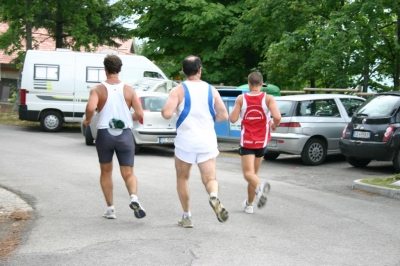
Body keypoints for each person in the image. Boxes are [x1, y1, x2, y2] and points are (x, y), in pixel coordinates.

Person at [161, 55, 229, 228]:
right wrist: (206, 120)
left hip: (186, 142)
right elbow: (224, 115)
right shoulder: (211, 90)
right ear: (200, 70)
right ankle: (213, 195)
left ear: (183, 71)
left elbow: (167, 114)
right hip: (207, 141)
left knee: (182, 178)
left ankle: (187, 216)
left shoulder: (178, 90)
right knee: (209, 178)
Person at [83, 54, 146, 220]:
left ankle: (110, 209)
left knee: (106, 172)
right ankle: (134, 197)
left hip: (105, 133)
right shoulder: (129, 90)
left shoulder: (97, 89)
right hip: (124, 134)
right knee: (128, 172)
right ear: (120, 69)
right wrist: (127, 119)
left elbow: (91, 107)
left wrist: (88, 119)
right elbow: (139, 113)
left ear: (105, 69)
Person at [229, 72, 281, 214]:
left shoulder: (241, 99)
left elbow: (232, 119)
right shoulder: (268, 98)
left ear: (249, 84)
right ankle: (249, 205)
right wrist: (274, 125)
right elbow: (277, 116)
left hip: (247, 141)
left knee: (248, 174)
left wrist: (237, 109)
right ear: (262, 84)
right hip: (262, 141)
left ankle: (260, 188)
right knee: (254, 174)